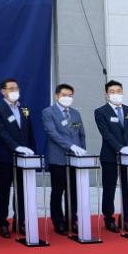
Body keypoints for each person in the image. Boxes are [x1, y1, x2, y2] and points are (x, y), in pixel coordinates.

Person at [94, 79, 128, 233]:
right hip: (110, 156)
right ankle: (109, 218)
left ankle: (126, 218)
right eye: (112, 92)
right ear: (106, 94)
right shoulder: (100, 112)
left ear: (122, 92)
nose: (116, 94)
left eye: (118, 91)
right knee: (109, 189)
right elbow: (106, 134)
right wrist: (121, 148)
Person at [0, 78, 36, 238]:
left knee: (22, 191)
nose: (14, 91)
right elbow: (1, 132)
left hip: (25, 157)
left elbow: (29, 131)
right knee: (3, 191)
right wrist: (16, 147)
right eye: (11, 88)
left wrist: (32, 151)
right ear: (3, 91)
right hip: (6, 156)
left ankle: (20, 221)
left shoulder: (24, 108)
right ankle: (2, 223)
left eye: (16, 88)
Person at [41, 83, 85, 235]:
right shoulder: (48, 112)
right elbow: (52, 133)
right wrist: (71, 146)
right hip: (58, 158)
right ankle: (58, 221)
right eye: (64, 95)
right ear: (57, 96)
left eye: (70, 96)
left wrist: (82, 150)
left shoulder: (75, 113)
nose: (67, 98)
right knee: (58, 191)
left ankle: (72, 220)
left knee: (73, 191)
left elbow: (81, 134)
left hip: (75, 159)